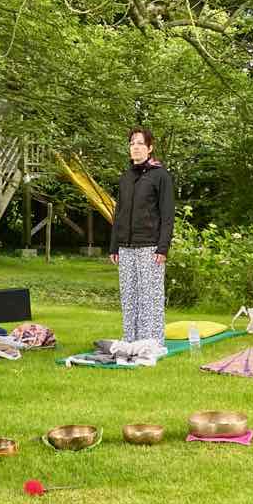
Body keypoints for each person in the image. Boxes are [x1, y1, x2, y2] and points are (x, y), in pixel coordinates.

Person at [109, 127, 174, 342]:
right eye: (132, 144)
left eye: (140, 144)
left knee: (150, 299)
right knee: (129, 298)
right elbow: (118, 214)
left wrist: (163, 248)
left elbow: (167, 215)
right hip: (125, 247)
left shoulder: (160, 175)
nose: (135, 148)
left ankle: (152, 343)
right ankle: (131, 342)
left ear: (150, 148)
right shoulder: (126, 177)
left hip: (150, 247)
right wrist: (113, 246)